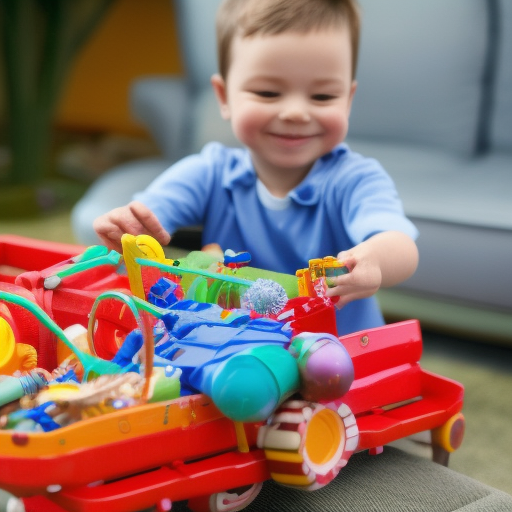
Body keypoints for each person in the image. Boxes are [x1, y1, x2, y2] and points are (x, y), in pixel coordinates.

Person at [93, 0, 419, 335]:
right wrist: (126, 228)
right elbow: (147, 216)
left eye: (322, 96)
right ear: (224, 96)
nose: (295, 112)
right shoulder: (210, 171)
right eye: (267, 92)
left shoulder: (355, 179)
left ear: (347, 100)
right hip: (233, 347)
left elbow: (400, 245)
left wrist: (372, 260)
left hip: (339, 356)